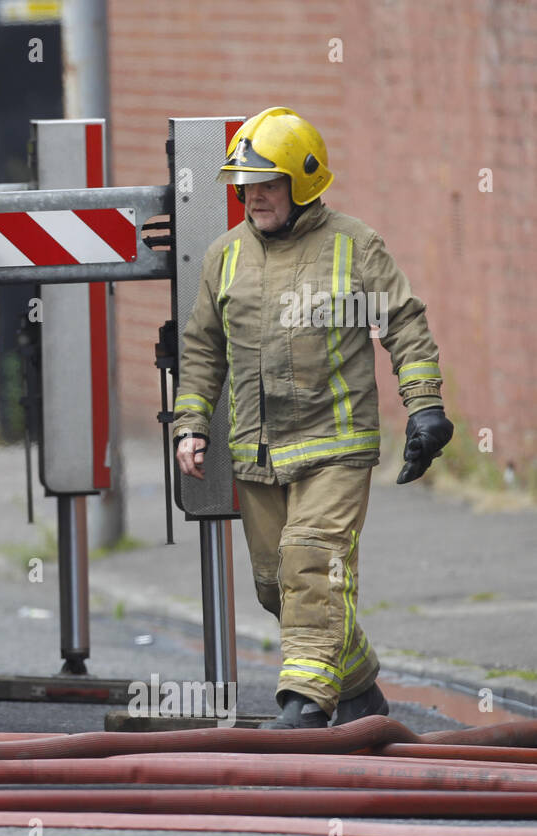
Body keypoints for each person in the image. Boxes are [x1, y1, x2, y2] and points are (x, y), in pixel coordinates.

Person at [171, 107, 455, 729]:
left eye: (266, 183)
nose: (252, 196)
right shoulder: (224, 257)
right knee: (278, 587)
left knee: (309, 561)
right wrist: (190, 424)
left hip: (335, 446)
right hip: (258, 454)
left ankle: (305, 705)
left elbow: (403, 322)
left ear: (303, 184)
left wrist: (425, 406)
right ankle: (357, 691)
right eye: (244, 184)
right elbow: (201, 349)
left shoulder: (353, 246)